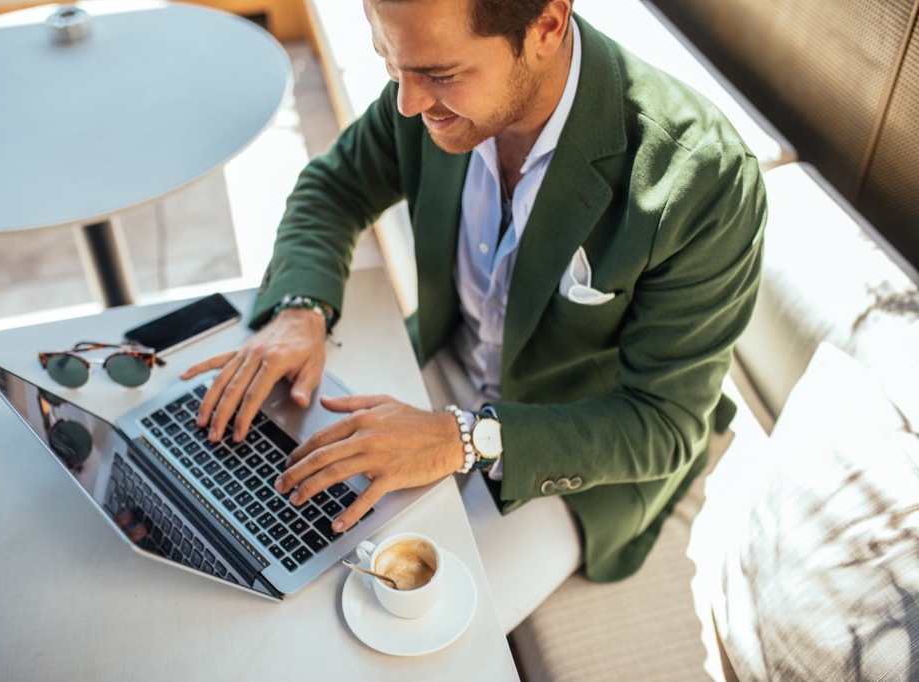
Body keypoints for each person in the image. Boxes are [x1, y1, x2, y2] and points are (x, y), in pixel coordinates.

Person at [183, 0, 766, 629]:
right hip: (446, 360)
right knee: (269, 524)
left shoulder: (702, 179)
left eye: (439, 75)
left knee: (411, 630)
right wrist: (301, 309)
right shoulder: (421, 84)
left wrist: (463, 440)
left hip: (573, 441)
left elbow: (665, 424)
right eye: (389, 61)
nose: (406, 104)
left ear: (547, 23)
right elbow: (335, 187)